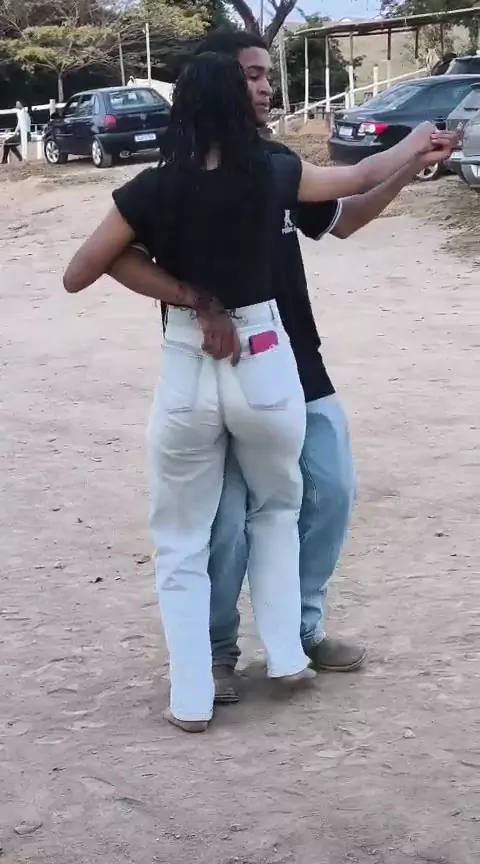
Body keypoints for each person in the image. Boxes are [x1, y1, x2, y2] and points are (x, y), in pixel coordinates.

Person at [67, 50, 443, 732]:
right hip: (268, 357)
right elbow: (358, 176)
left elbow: (80, 271)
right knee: (270, 512)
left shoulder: (155, 186)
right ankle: (281, 654)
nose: (265, 88)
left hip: (201, 359)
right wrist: (414, 143)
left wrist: (192, 298)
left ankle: (200, 691)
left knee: (192, 535)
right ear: (232, 96)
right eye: (253, 78)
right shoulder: (274, 172)